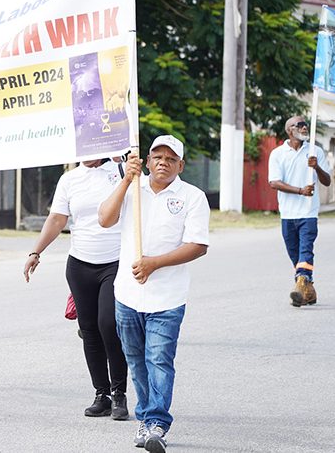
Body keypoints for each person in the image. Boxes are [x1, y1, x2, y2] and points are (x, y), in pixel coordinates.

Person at [99, 135, 209, 453]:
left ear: (180, 166)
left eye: (171, 159)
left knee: (159, 359)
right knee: (136, 359)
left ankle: (157, 422)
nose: (163, 162)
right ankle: (147, 417)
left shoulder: (192, 197)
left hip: (168, 297)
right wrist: (126, 180)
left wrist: (154, 264)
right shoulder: (133, 189)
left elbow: (197, 246)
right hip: (128, 294)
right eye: (157, 156)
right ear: (147, 161)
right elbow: (105, 219)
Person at [23, 159, 129, 421]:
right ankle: (101, 394)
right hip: (80, 265)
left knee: (108, 324)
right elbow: (58, 219)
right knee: (89, 329)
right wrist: (36, 251)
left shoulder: (120, 170)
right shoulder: (70, 178)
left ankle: (119, 393)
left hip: (115, 262)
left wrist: (126, 165)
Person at [268, 116, 331, 307]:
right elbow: (274, 182)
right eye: (300, 125)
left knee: (305, 251)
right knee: (295, 255)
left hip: (308, 213)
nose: (304, 128)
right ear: (289, 130)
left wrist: (316, 166)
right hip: (287, 214)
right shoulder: (278, 154)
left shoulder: (315, 151)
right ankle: (308, 290)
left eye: (306, 125)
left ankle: (300, 287)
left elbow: (327, 181)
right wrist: (300, 190)